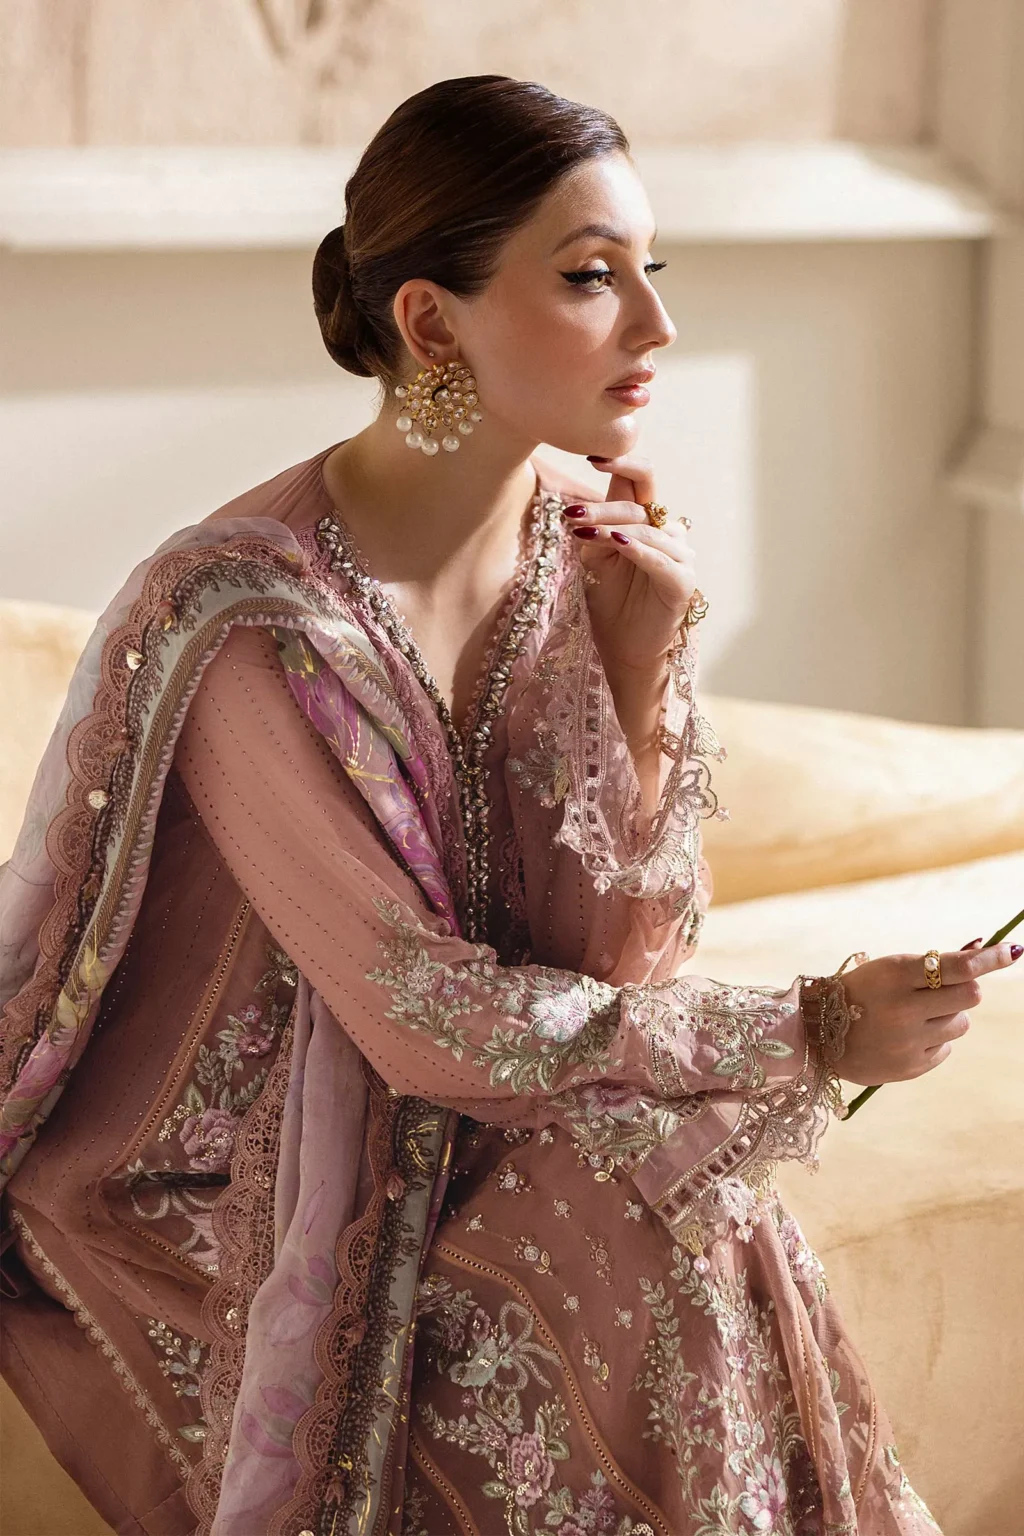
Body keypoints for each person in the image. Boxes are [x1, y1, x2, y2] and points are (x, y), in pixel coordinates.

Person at [0, 75, 1016, 1536]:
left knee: (690, 1188)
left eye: (651, 268)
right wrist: (811, 1029)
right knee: (657, 1206)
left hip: (484, 1098)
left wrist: (639, 671)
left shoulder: (578, 546)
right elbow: (423, 1019)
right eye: (594, 277)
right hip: (246, 1166)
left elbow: (616, 966)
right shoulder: (249, 623)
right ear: (431, 324)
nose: (657, 325)